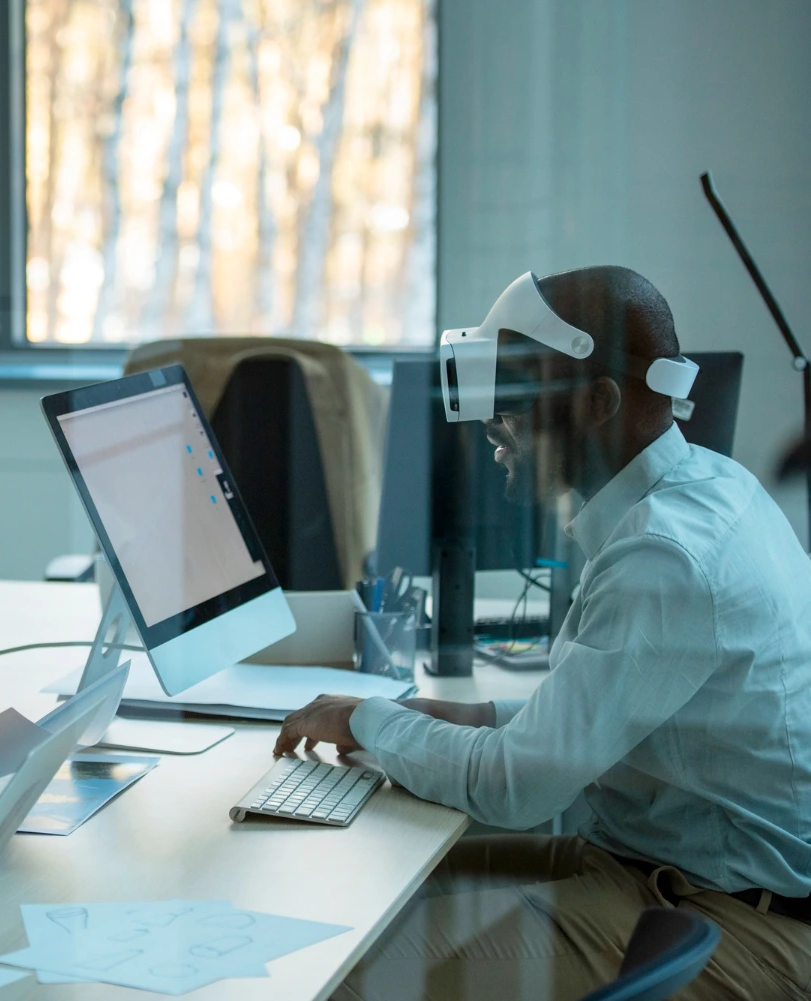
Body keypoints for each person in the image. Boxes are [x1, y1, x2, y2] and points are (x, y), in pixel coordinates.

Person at [276, 267, 811, 999]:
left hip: (730, 916)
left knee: (351, 974)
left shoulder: (664, 555)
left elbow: (517, 786)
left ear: (599, 402)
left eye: (518, 391)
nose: (497, 420)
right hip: (657, 872)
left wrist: (366, 718)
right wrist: (478, 715)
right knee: (355, 904)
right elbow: (611, 714)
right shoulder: (703, 491)